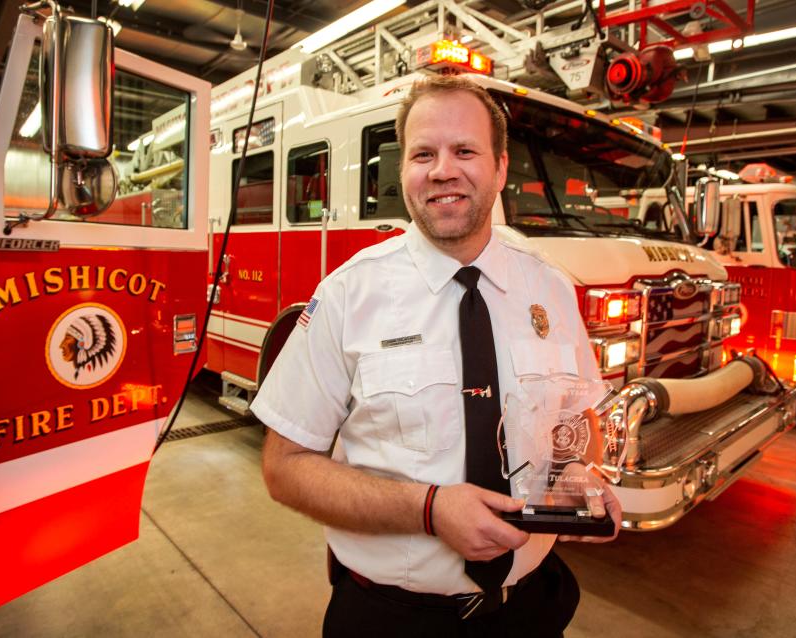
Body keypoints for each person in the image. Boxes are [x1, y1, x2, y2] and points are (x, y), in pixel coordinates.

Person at [253, 75, 622, 638]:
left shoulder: (551, 290)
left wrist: (580, 474)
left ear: (500, 168)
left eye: (465, 150)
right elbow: (284, 469)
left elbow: (577, 421)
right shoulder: (347, 295)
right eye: (423, 153)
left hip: (531, 608)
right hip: (391, 619)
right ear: (403, 172)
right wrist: (428, 509)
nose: (443, 170)